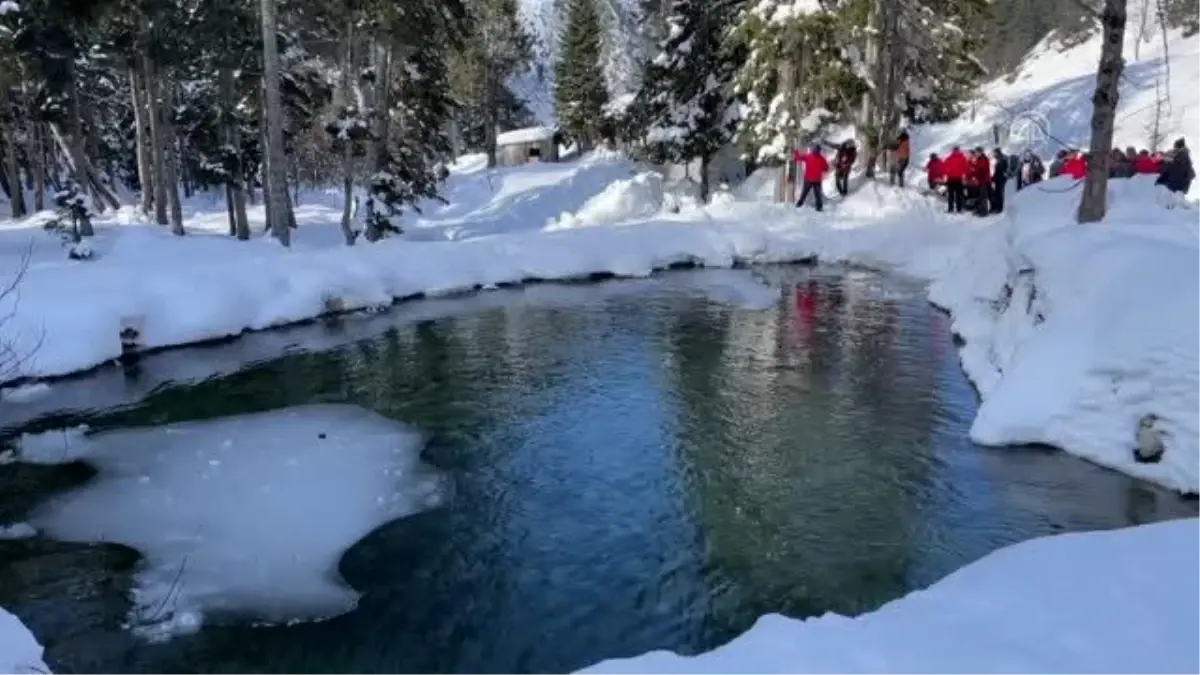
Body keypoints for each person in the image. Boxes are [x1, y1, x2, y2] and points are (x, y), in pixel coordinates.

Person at [793, 144, 830, 211]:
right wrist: (822, 168)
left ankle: (799, 205)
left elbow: (799, 157)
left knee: (804, 194)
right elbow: (826, 168)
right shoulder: (821, 159)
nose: (816, 151)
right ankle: (819, 208)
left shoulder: (809, 156)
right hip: (815, 180)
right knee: (817, 195)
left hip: (809, 180)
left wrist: (796, 152)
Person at [943, 146, 967, 213]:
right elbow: (944, 167)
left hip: (956, 178)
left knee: (955, 195)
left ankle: (955, 209)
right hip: (953, 179)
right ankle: (955, 209)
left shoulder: (959, 158)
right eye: (955, 150)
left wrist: (946, 173)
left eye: (956, 150)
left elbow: (965, 168)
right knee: (953, 195)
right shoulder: (951, 158)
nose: (956, 151)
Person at [973, 148, 991, 216]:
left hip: (984, 180)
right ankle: (981, 210)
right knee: (981, 196)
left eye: (977, 152)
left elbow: (982, 169)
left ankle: (984, 212)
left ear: (980, 152)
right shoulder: (980, 159)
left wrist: (975, 172)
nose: (976, 154)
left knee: (983, 197)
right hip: (982, 180)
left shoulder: (982, 159)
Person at [991, 148, 1009, 213]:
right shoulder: (999, 159)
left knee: (1000, 194)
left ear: (997, 153)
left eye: (994, 153)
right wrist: (993, 178)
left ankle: (1000, 208)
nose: (993, 154)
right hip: (998, 179)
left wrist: (995, 177)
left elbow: (1001, 171)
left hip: (1001, 179)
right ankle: (998, 207)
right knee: (997, 193)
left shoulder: (1002, 159)